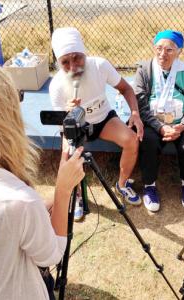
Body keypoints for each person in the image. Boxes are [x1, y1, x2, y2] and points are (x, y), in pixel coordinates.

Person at [0, 58, 85, 299]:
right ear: (1, 117)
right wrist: (63, 190)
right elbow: (52, 254)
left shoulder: (13, 202)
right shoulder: (18, 201)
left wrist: (41, 205)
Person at [49, 27, 144, 219]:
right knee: (67, 158)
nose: (73, 66)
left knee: (131, 140)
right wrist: (68, 113)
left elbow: (126, 89)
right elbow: (62, 126)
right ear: (58, 63)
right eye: (65, 62)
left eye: (77, 58)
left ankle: (122, 184)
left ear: (85, 53)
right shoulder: (56, 86)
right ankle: (76, 195)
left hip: (103, 119)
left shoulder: (100, 66)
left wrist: (135, 113)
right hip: (75, 127)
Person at [134, 29, 184, 212]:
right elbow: (141, 106)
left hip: (180, 123)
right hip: (153, 122)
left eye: (169, 50)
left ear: (179, 51)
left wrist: (182, 125)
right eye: (159, 48)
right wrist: (160, 127)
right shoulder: (145, 70)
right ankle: (149, 187)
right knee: (147, 140)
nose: (162, 54)